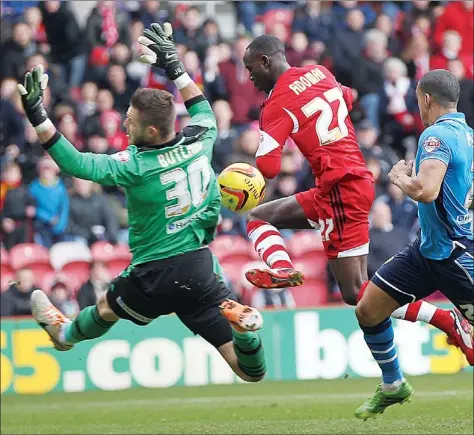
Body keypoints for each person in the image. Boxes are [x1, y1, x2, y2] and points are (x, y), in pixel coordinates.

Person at [23, 22, 266, 384]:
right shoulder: (203, 137)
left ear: (151, 131)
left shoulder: (134, 165)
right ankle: (245, 332)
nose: (124, 121)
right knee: (250, 372)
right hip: (200, 270)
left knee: (105, 309)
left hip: (155, 273)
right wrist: (175, 66)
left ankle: (64, 335)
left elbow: (74, 162)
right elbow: (200, 108)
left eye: (131, 119)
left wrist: (37, 116)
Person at [241, 35, 472, 362]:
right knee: (259, 217)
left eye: (251, 69)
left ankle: (446, 319)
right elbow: (349, 97)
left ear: (265, 62)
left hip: (340, 188)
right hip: (339, 184)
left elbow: (268, 167)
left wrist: (252, 157)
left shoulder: (276, 102)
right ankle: (281, 267)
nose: (250, 78)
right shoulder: (319, 71)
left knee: (355, 293)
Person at [354, 69, 473, 420]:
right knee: (368, 309)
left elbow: (426, 190)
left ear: (426, 99)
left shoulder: (436, 135)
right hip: (427, 250)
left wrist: (399, 176)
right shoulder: (467, 134)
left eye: (417, 100)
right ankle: (393, 384)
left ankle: (461, 324)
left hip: (455, 256)